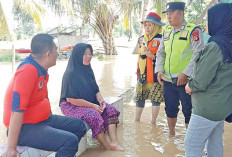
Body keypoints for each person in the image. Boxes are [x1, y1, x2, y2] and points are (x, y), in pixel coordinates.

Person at [2, 34, 86, 157]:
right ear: (48, 54)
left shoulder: (41, 69)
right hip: (24, 128)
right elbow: (16, 110)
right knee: (70, 141)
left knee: (79, 126)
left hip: (43, 121)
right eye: (56, 50)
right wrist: (11, 148)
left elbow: (43, 98)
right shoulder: (28, 71)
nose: (57, 53)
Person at [184, 3, 232, 157]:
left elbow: (200, 81)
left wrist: (189, 86)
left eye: (208, 19)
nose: (205, 23)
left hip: (206, 109)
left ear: (219, 21)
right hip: (223, 106)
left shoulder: (215, 46)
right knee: (215, 142)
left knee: (192, 144)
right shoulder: (228, 45)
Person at [59, 43, 124, 151]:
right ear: (78, 55)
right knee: (94, 115)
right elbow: (71, 99)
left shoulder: (88, 70)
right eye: (85, 54)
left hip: (89, 101)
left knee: (110, 110)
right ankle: (107, 147)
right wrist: (93, 106)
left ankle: (114, 142)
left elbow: (95, 89)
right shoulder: (71, 74)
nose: (88, 56)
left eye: (90, 53)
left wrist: (101, 101)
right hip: (71, 105)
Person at [155, 1, 204, 137]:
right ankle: (171, 136)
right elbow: (160, 53)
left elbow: (198, 53)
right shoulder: (167, 32)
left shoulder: (193, 30)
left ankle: (190, 140)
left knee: (189, 110)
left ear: (181, 13)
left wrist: (186, 73)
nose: (168, 17)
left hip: (186, 82)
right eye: (167, 14)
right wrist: (159, 70)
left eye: (171, 13)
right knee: (170, 109)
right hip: (168, 80)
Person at [134, 12, 165, 124]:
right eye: (146, 25)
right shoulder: (141, 39)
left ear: (156, 26)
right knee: (139, 98)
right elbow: (140, 57)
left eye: (150, 25)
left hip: (156, 75)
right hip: (142, 74)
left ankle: (153, 122)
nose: (147, 27)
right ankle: (137, 121)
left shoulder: (162, 39)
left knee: (155, 99)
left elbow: (164, 57)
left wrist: (152, 56)